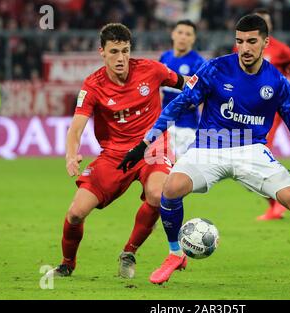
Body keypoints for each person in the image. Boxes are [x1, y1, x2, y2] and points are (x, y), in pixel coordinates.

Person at [117, 15, 290, 289]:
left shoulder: (276, 81)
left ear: (266, 43)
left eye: (252, 42)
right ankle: (175, 254)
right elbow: (179, 104)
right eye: (240, 41)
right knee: (170, 189)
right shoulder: (215, 69)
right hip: (209, 144)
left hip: (252, 150)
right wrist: (145, 143)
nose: (245, 48)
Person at [46, 23, 188, 279]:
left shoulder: (152, 70)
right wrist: (71, 154)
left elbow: (186, 84)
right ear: (102, 52)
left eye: (125, 51)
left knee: (158, 195)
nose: (121, 58)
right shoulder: (92, 85)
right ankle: (67, 264)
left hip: (153, 147)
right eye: (114, 52)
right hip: (115, 154)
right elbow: (76, 128)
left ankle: (129, 252)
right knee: (76, 213)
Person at [253, 8, 290, 221]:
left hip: (269, 111)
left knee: (258, 156)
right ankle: (276, 203)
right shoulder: (243, 46)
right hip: (246, 111)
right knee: (248, 161)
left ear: (270, 26)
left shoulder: (281, 50)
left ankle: (281, 201)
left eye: (264, 22)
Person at [159, 20, 206, 159]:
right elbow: (158, 88)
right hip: (164, 124)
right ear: (173, 34)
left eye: (188, 34)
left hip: (186, 126)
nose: (183, 37)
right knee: (162, 169)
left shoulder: (199, 63)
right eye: (180, 32)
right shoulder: (164, 57)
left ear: (193, 38)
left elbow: (202, 96)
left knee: (182, 171)